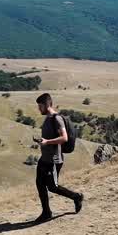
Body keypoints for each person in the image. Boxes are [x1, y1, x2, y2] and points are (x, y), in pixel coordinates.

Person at [32, 92, 83, 222]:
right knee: (39, 183)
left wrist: (47, 142)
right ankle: (46, 212)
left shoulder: (57, 119)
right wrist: (42, 141)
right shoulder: (48, 118)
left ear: (47, 104)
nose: (39, 109)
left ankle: (76, 197)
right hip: (45, 158)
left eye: (40, 106)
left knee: (52, 187)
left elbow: (64, 138)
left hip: (54, 160)